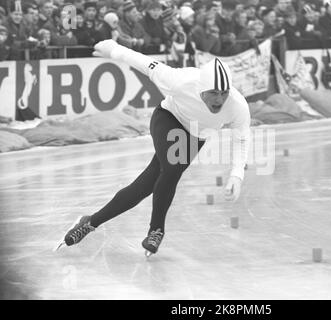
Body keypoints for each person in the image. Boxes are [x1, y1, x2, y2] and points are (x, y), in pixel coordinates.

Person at [57, 39, 251, 256]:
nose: (220, 99)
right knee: (172, 169)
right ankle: (156, 230)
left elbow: (241, 139)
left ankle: (90, 222)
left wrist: (236, 175)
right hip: (169, 118)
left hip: (196, 135)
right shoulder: (180, 81)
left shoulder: (237, 106)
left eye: (224, 93)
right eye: (214, 93)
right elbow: (144, 63)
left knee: (145, 186)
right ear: (201, 89)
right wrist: (113, 49)